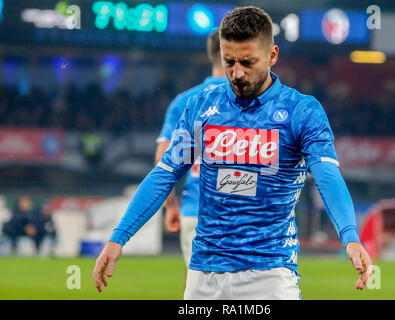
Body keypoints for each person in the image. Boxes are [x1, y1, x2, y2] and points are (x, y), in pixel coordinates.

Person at [93, 6, 372, 299]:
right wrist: (118, 237)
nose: (237, 73)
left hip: (269, 275)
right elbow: (165, 173)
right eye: (230, 62)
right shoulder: (201, 106)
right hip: (203, 275)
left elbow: (328, 176)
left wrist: (350, 237)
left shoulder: (301, 111)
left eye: (248, 62)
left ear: (272, 56)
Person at [154, 30, 227, 275]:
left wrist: (171, 205)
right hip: (242, 212)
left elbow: (163, 159)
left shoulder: (185, 100)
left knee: (196, 286)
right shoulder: (248, 99)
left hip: (194, 209)